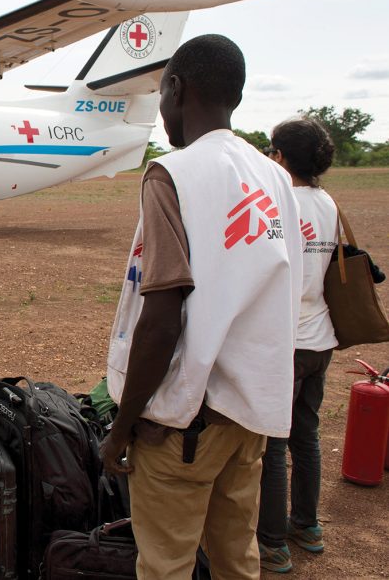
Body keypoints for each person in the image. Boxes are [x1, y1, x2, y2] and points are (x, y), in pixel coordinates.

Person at [98, 34, 303, 580]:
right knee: (238, 558)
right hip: (247, 416)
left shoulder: (173, 174)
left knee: (165, 564)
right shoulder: (275, 178)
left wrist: (122, 427)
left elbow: (161, 319)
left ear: (175, 88)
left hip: (183, 425)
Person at [257, 118, 339, 573]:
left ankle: (271, 541)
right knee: (306, 435)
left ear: (282, 156)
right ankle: (306, 525)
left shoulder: (280, 202)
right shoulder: (328, 203)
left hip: (286, 340)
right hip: (319, 338)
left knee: (272, 443)